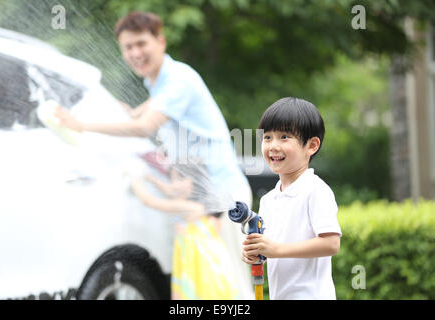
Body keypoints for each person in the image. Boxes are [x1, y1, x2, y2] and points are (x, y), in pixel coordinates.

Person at [55, 11, 253, 296]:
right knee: (208, 291)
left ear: (160, 41)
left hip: (222, 198)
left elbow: (143, 127)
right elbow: (145, 112)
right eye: (128, 47)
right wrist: (128, 112)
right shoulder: (158, 82)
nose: (135, 53)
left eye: (141, 44)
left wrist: (80, 125)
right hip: (201, 201)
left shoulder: (178, 80)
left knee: (232, 290)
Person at [242, 97, 342, 300]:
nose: (273, 146)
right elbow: (271, 248)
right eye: (267, 137)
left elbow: (331, 243)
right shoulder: (268, 200)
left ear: (311, 146)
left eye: (284, 137)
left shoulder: (316, 190)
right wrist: (255, 253)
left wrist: (276, 250)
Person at [131, 161, 244, 299]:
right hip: (201, 263)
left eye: (179, 179)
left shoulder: (190, 208)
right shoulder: (201, 207)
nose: (173, 185)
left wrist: (134, 179)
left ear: (193, 181)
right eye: (172, 179)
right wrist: (150, 178)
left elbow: (149, 201)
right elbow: (168, 190)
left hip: (201, 266)